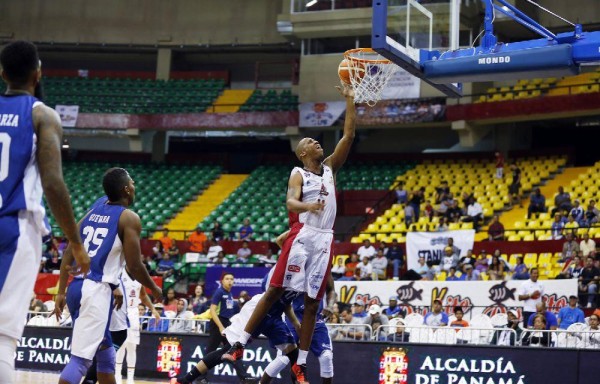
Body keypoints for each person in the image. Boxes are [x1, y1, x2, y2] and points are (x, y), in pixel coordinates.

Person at [222, 84, 356, 383]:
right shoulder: (299, 173)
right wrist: (309, 204)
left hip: (324, 238)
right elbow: (290, 202)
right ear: (302, 152)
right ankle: (240, 344)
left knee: (312, 304)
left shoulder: (331, 167)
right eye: (311, 141)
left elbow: (348, 136)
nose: (317, 142)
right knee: (275, 291)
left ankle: (302, 363)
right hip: (303, 233)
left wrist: (350, 99)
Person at [0, 40, 90, 383]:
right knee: (4, 340)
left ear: (2, 73)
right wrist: (76, 244)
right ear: (38, 73)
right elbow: (53, 184)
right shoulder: (41, 114)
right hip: (14, 228)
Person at [53, 168, 162, 384]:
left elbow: (70, 249)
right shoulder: (129, 218)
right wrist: (154, 287)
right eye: (132, 182)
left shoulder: (97, 207)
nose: (134, 185)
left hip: (78, 287)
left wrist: (61, 291)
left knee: (106, 355)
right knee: (80, 362)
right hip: (94, 292)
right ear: (126, 189)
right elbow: (135, 265)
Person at [177, 269, 301, 384]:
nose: (230, 281)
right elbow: (212, 310)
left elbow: (286, 302)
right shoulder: (220, 292)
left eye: (231, 279)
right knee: (225, 351)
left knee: (292, 351)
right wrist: (220, 326)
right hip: (240, 315)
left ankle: (187, 379)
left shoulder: (230, 294)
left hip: (272, 315)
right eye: (227, 279)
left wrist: (295, 323)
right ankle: (188, 379)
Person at [110, 267, 161, 384]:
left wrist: (153, 309)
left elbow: (143, 296)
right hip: (119, 310)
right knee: (120, 344)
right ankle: (117, 374)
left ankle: (130, 378)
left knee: (132, 346)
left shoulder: (139, 275)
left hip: (133, 312)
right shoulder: (119, 272)